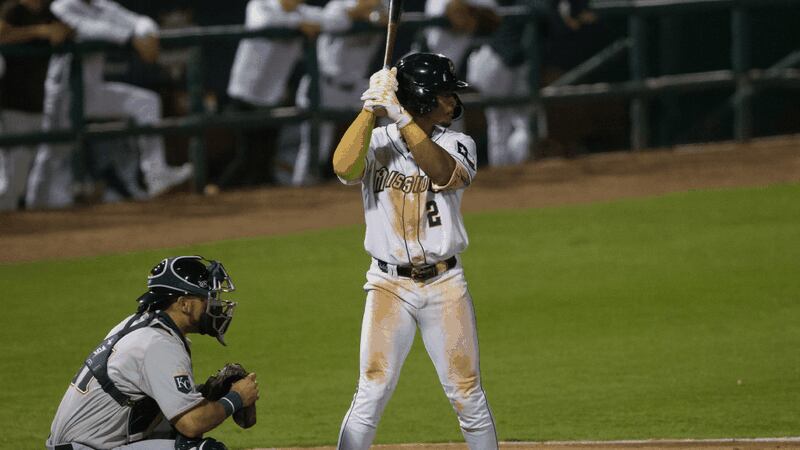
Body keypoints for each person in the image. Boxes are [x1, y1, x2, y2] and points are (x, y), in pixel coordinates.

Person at [332, 53, 498, 450]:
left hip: (445, 285)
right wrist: (370, 108)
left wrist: (402, 118)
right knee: (371, 389)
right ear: (422, 98)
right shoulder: (375, 143)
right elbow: (343, 168)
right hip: (388, 285)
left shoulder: (459, 143)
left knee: (467, 394)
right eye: (443, 95)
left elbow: (442, 173)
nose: (453, 103)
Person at [46, 255, 260, 450]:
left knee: (182, 434)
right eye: (207, 298)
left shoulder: (142, 326)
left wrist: (208, 393)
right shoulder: (157, 345)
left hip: (86, 444)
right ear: (184, 304)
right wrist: (237, 398)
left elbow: (154, 402)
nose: (215, 305)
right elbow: (192, 424)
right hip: (86, 447)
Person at [25, 0, 193, 209]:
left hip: (93, 89)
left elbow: (138, 20)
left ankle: (156, 175)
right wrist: (130, 38)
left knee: (146, 103)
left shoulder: (102, 6)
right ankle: (35, 204)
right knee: (53, 151)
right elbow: (86, 30)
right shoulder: (62, 6)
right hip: (65, 90)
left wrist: (146, 34)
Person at [226, 0, 347, 185]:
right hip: (245, 94)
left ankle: (261, 207)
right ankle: (218, 190)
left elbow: (338, 22)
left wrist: (307, 22)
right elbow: (264, 22)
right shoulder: (260, 5)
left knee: (266, 159)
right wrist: (299, 24)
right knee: (247, 157)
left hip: (272, 96)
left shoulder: (302, 12)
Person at [290, 0, 385, 186]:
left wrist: (373, 14)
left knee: (390, 118)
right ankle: (301, 192)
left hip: (356, 88)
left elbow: (386, 18)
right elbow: (341, 19)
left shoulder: (383, 8)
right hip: (325, 85)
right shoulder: (337, 6)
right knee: (315, 150)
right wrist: (364, 13)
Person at [0, 0, 71, 211]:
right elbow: (1, 34)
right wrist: (38, 31)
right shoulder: (14, 9)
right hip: (12, 103)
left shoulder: (50, 11)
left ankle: (23, 215)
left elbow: (67, 30)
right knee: (15, 167)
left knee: (28, 170)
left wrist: (63, 32)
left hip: (39, 101)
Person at [466, 0, 553, 166]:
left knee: (528, 120)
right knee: (499, 121)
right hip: (494, 60)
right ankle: (502, 172)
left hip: (513, 64)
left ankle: (518, 167)